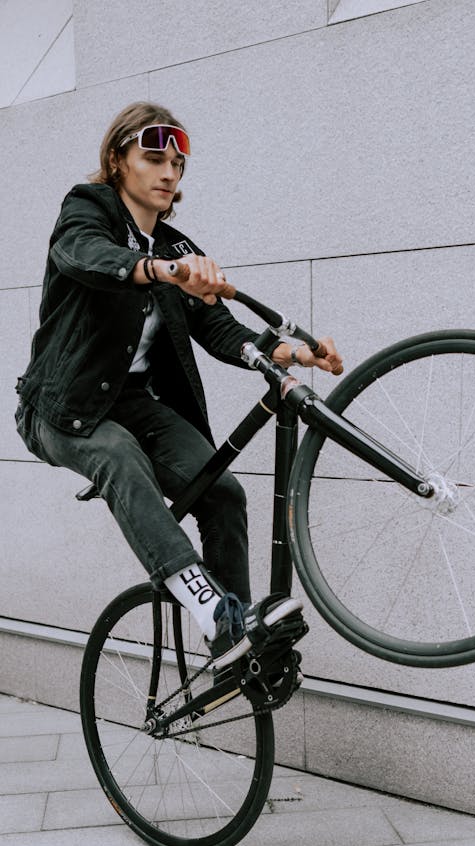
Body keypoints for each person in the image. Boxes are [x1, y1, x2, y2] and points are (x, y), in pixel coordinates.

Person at [15, 102, 343, 669]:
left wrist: (297, 353)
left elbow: (217, 326)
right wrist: (163, 272)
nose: (169, 173)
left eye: (178, 164)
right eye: (153, 158)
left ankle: (237, 637)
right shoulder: (85, 210)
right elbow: (86, 257)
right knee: (119, 458)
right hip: (60, 409)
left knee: (222, 491)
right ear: (118, 161)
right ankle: (209, 608)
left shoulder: (175, 247)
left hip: (136, 404)